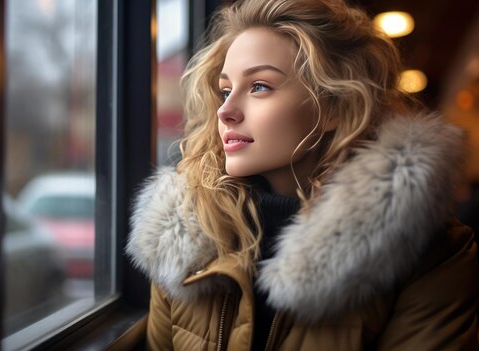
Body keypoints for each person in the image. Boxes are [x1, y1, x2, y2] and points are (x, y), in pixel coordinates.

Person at [126, 0, 478, 349]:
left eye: (260, 86)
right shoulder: (186, 239)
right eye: (225, 90)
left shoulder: (432, 253)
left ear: (334, 106)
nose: (226, 111)